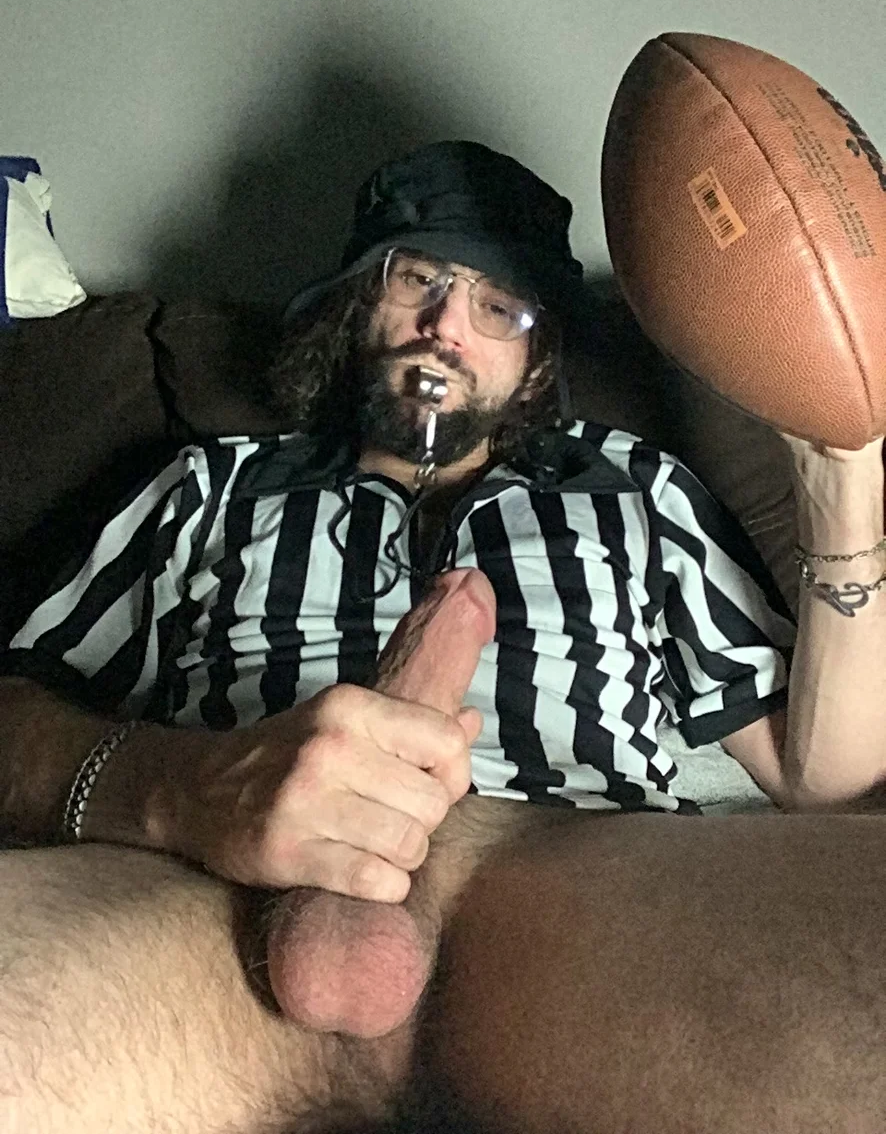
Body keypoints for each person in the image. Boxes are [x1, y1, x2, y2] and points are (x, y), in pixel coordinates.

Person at [1, 140, 885, 1132]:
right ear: (355, 306)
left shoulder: (635, 490)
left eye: (497, 307)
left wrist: (843, 472)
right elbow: (11, 711)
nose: (446, 327)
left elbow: (820, 777)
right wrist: (174, 789)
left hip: (582, 885)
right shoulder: (211, 485)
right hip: (209, 901)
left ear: (539, 358)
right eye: (416, 280)